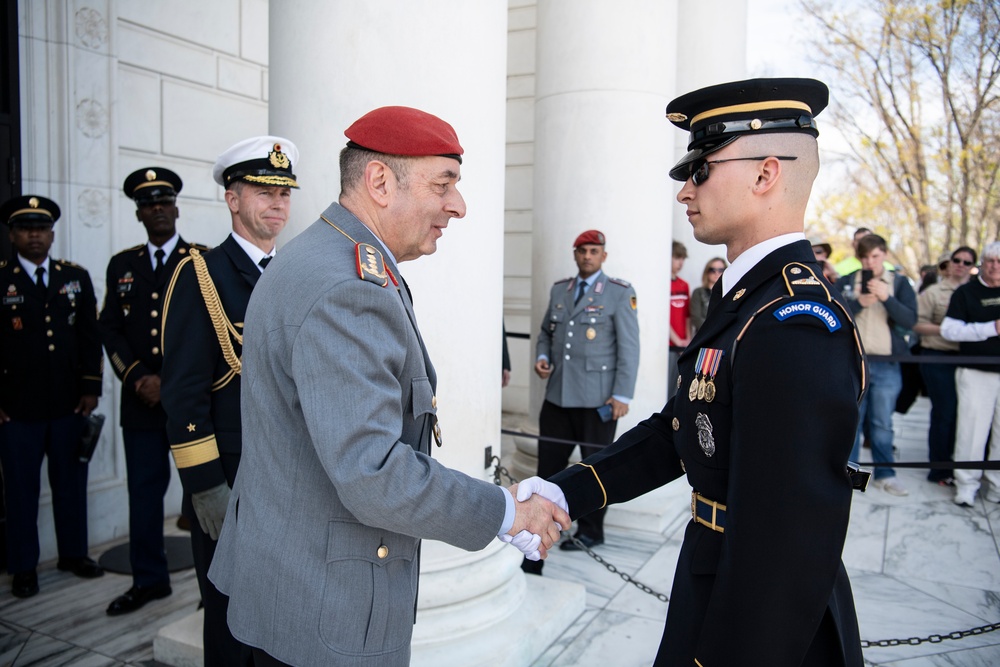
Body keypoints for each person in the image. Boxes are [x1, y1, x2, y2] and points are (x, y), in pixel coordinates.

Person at [519, 77, 867, 666]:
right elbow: (683, 429)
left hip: (759, 621)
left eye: (700, 170)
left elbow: (789, 536)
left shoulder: (794, 321)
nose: (684, 191)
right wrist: (566, 490)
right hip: (714, 571)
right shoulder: (748, 300)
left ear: (765, 174)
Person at [205, 106, 570, 667]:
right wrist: (508, 512)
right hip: (328, 611)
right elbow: (373, 471)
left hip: (289, 586)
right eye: (443, 183)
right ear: (379, 181)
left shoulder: (322, 256)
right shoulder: (347, 286)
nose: (459, 205)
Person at [159, 136, 299, 666]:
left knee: (281, 613)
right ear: (232, 199)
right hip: (232, 478)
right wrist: (206, 488)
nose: (277, 202)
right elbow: (183, 395)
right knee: (231, 617)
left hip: (291, 477)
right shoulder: (201, 275)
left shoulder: (292, 272)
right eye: (262, 190)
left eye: (284, 192)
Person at [99, 168, 207, 615]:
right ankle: (149, 580)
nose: (158, 209)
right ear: (140, 213)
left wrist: (173, 382)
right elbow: (110, 329)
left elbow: (207, 331)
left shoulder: (199, 259)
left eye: (164, 202)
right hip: (141, 403)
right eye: (149, 204)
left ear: (176, 209)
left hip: (188, 404)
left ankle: (212, 587)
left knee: (203, 496)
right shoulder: (122, 266)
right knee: (143, 496)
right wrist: (138, 376)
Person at [0, 195, 104, 599]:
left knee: (70, 484)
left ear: (52, 234)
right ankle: (23, 567)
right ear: (13, 235)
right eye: (26, 228)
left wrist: (90, 389)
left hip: (68, 405)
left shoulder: (72, 277)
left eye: (41, 229)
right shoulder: (2, 280)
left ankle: (73, 554)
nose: (35, 236)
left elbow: (89, 337)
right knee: (21, 492)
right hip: (16, 411)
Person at [524, 229, 639, 574]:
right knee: (549, 467)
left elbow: (629, 347)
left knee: (596, 469)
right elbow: (546, 331)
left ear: (603, 255)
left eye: (594, 251)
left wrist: (622, 394)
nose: (587, 256)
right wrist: (542, 355)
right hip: (558, 395)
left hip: (597, 400)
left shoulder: (619, 293)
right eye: (582, 251)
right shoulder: (561, 289)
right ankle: (543, 526)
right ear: (575, 255)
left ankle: (592, 530)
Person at [835, 234, 916, 496]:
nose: (870, 262)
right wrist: (859, 303)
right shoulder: (848, 281)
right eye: (865, 257)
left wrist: (887, 299)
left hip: (886, 364)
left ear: (885, 254)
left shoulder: (900, 283)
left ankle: (886, 474)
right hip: (854, 363)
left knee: (882, 423)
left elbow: (911, 320)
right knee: (851, 422)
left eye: (876, 256)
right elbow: (836, 316)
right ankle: (849, 476)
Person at [941, 242, 1000, 507]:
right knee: (972, 432)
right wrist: (990, 328)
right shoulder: (966, 292)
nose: (995, 266)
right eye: (990, 260)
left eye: (999, 261)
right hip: (976, 372)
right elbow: (949, 331)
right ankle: (966, 484)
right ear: (983, 263)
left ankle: (997, 486)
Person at [914, 247, 976, 486]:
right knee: (945, 412)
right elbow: (916, 323)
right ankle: (939, 469)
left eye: (966, 261)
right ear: (949, 263)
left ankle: (962, 467)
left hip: (971, 360)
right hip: (938, 355)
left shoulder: (977, 291)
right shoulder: (934, 292)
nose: (960, 264)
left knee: (967, 416)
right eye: (956, 260)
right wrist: (949, 329)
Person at [668, 240, 691, 397]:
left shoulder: (684, 285)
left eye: (682, 258)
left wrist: (688, 338)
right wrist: (676, 339)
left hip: (683, 345)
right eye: (676, 257)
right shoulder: (662, 284)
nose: (680, 262)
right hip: (670, 345)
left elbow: (687, 315)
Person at [689, 257, 727, 333]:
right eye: (712, 270)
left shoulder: (729, 292)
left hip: (723, 337)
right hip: (703, 335)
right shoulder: (698, 292)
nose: (716, 273)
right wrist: (714, 330)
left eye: (720, 270)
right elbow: (696, 318)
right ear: (707, 272)